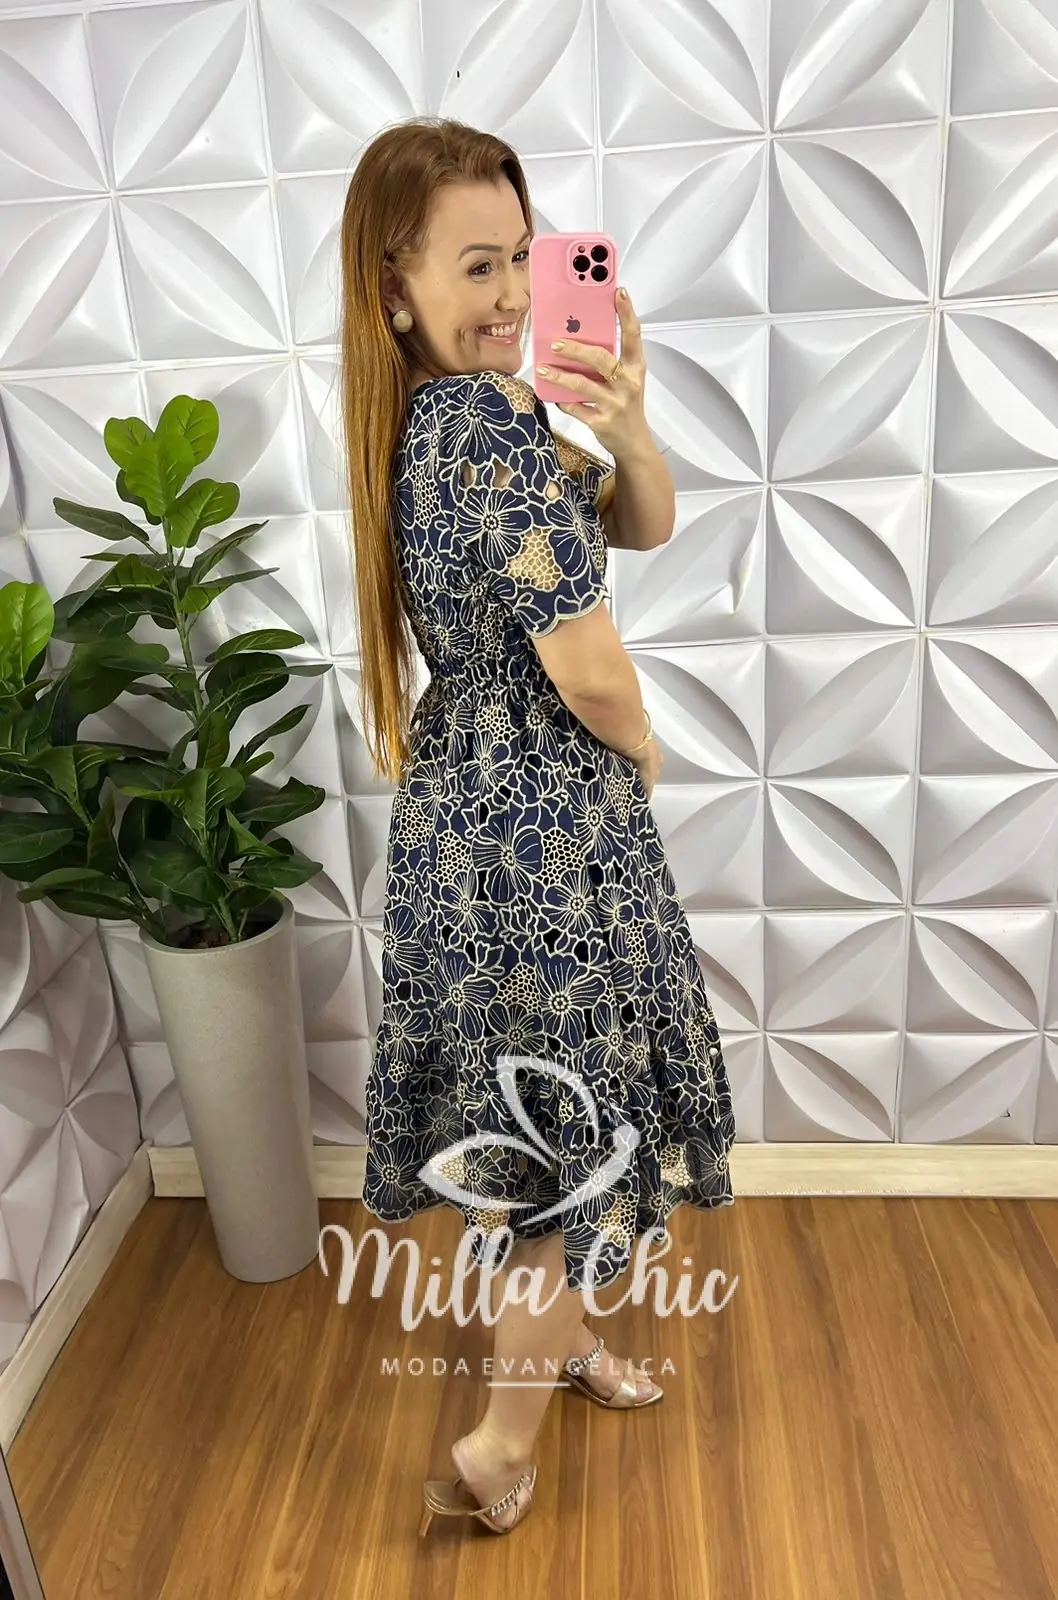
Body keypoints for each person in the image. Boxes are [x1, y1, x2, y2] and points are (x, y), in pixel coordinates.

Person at [337, 117, 736, 1537]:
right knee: (571, 1155)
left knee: (538, 1136)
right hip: (541, 845)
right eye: (475, 266)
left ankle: (558, 1347)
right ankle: (498, 1442)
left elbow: (642, 524)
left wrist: (625, 420)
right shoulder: (484, 437)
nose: (512, 292)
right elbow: (591, 672)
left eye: (522, 255)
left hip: (475, 828)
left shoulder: (457, 424)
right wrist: (650, 748)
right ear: (394, 287)